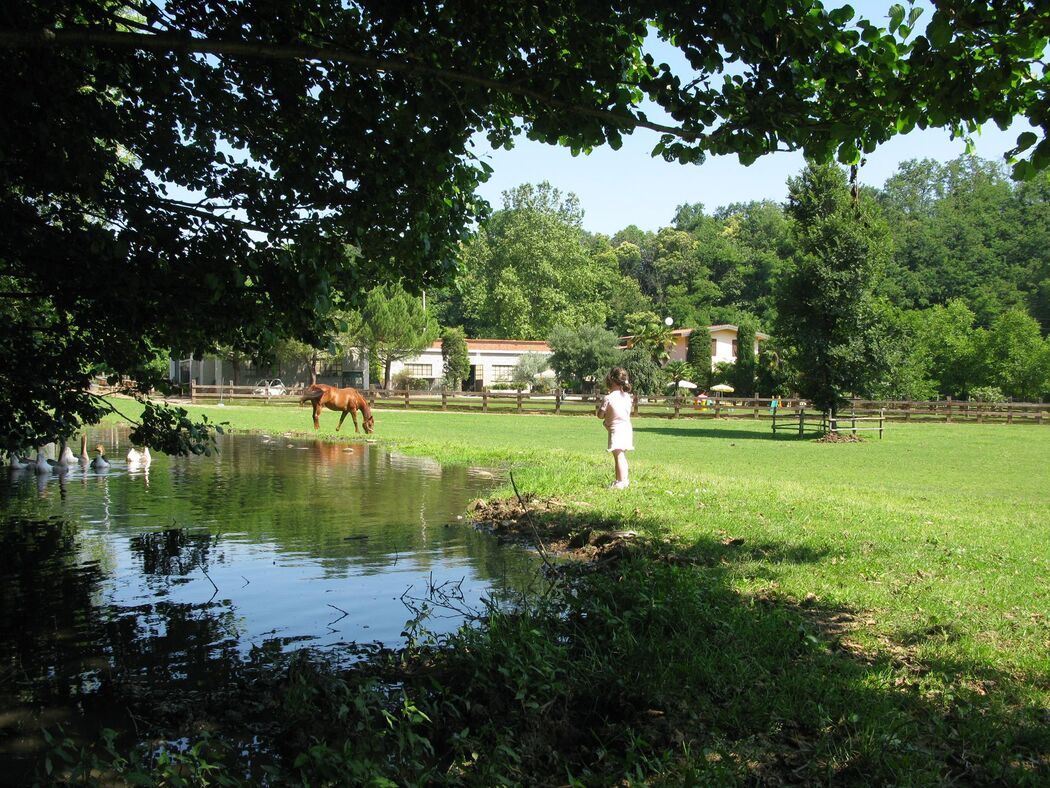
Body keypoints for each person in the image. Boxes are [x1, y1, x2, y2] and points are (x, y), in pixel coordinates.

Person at [597, 367, 634, 489]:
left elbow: (600, 415)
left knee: (618, 456)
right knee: (621, 455)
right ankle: (624, 480)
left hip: (615, 430)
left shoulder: (609, 398)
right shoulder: (627, 397)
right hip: (627, 429)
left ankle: (620, 482)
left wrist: (605, 417)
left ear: (611, 380)